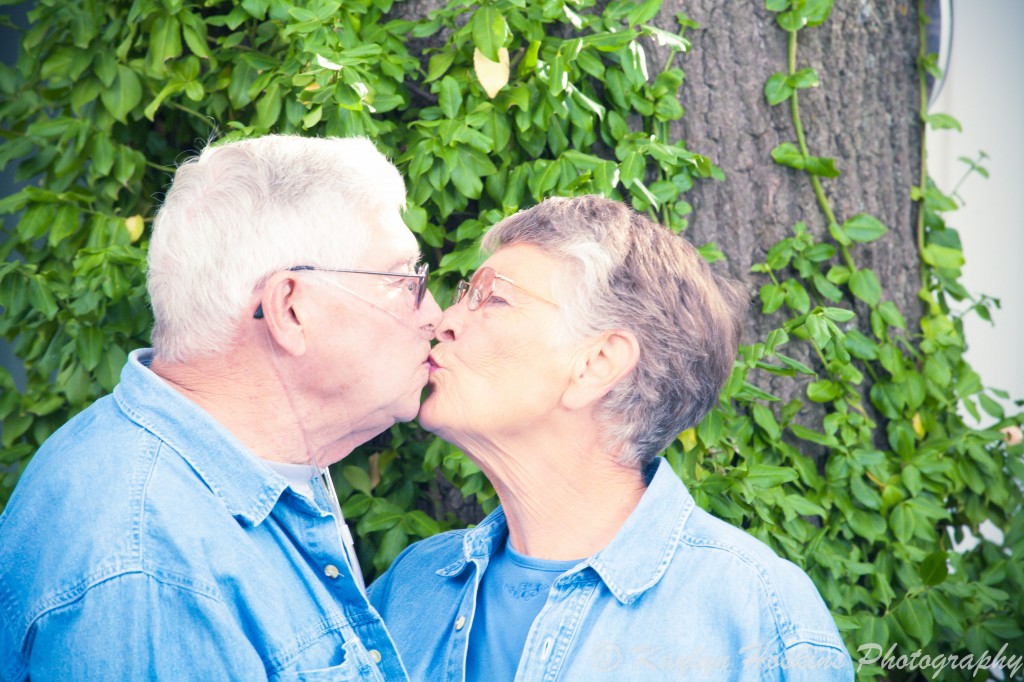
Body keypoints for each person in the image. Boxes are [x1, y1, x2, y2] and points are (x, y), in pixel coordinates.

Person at [0, 135, 441, 680]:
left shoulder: (233, 475)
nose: (436, 316)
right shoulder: (152, 572)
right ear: (291, 309)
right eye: (405, 281)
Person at [368, 195, 855, 681]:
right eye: (463, 295)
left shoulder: (752, 612)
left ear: (597, 364)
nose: (444, 321)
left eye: (493, 299)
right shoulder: (413, 583)